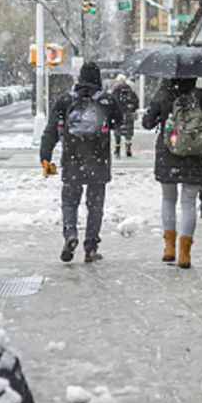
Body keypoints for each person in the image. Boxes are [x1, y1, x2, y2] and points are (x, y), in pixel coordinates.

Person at [40, 62, 123, 263]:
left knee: (70, 200)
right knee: (95, 205)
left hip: (72, 157)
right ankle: (91, 248)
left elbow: (51, 130)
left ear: (79, 78)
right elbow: (119, 122)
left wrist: (45, 157)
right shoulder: (106, 101)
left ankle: (70, 234)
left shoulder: (65, 100)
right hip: (98, 158)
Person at [142, 78, 202, 269]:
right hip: (195, 154)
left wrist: (160, 114)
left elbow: (147, 123)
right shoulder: (200, 96)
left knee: (168, 199)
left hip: (168, 152)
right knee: (189, 202)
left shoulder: (163, 95)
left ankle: (169, 248)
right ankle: (185, 254)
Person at [111, 74, 139, 158]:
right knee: (128, 133)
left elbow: (112, 101)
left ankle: (117, 149)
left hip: (118, 114)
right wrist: (132, 109)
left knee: (117, 133)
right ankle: (128, 149)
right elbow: (135, 101)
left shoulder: (115, 91)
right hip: (128, 113)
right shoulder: (130, 90)